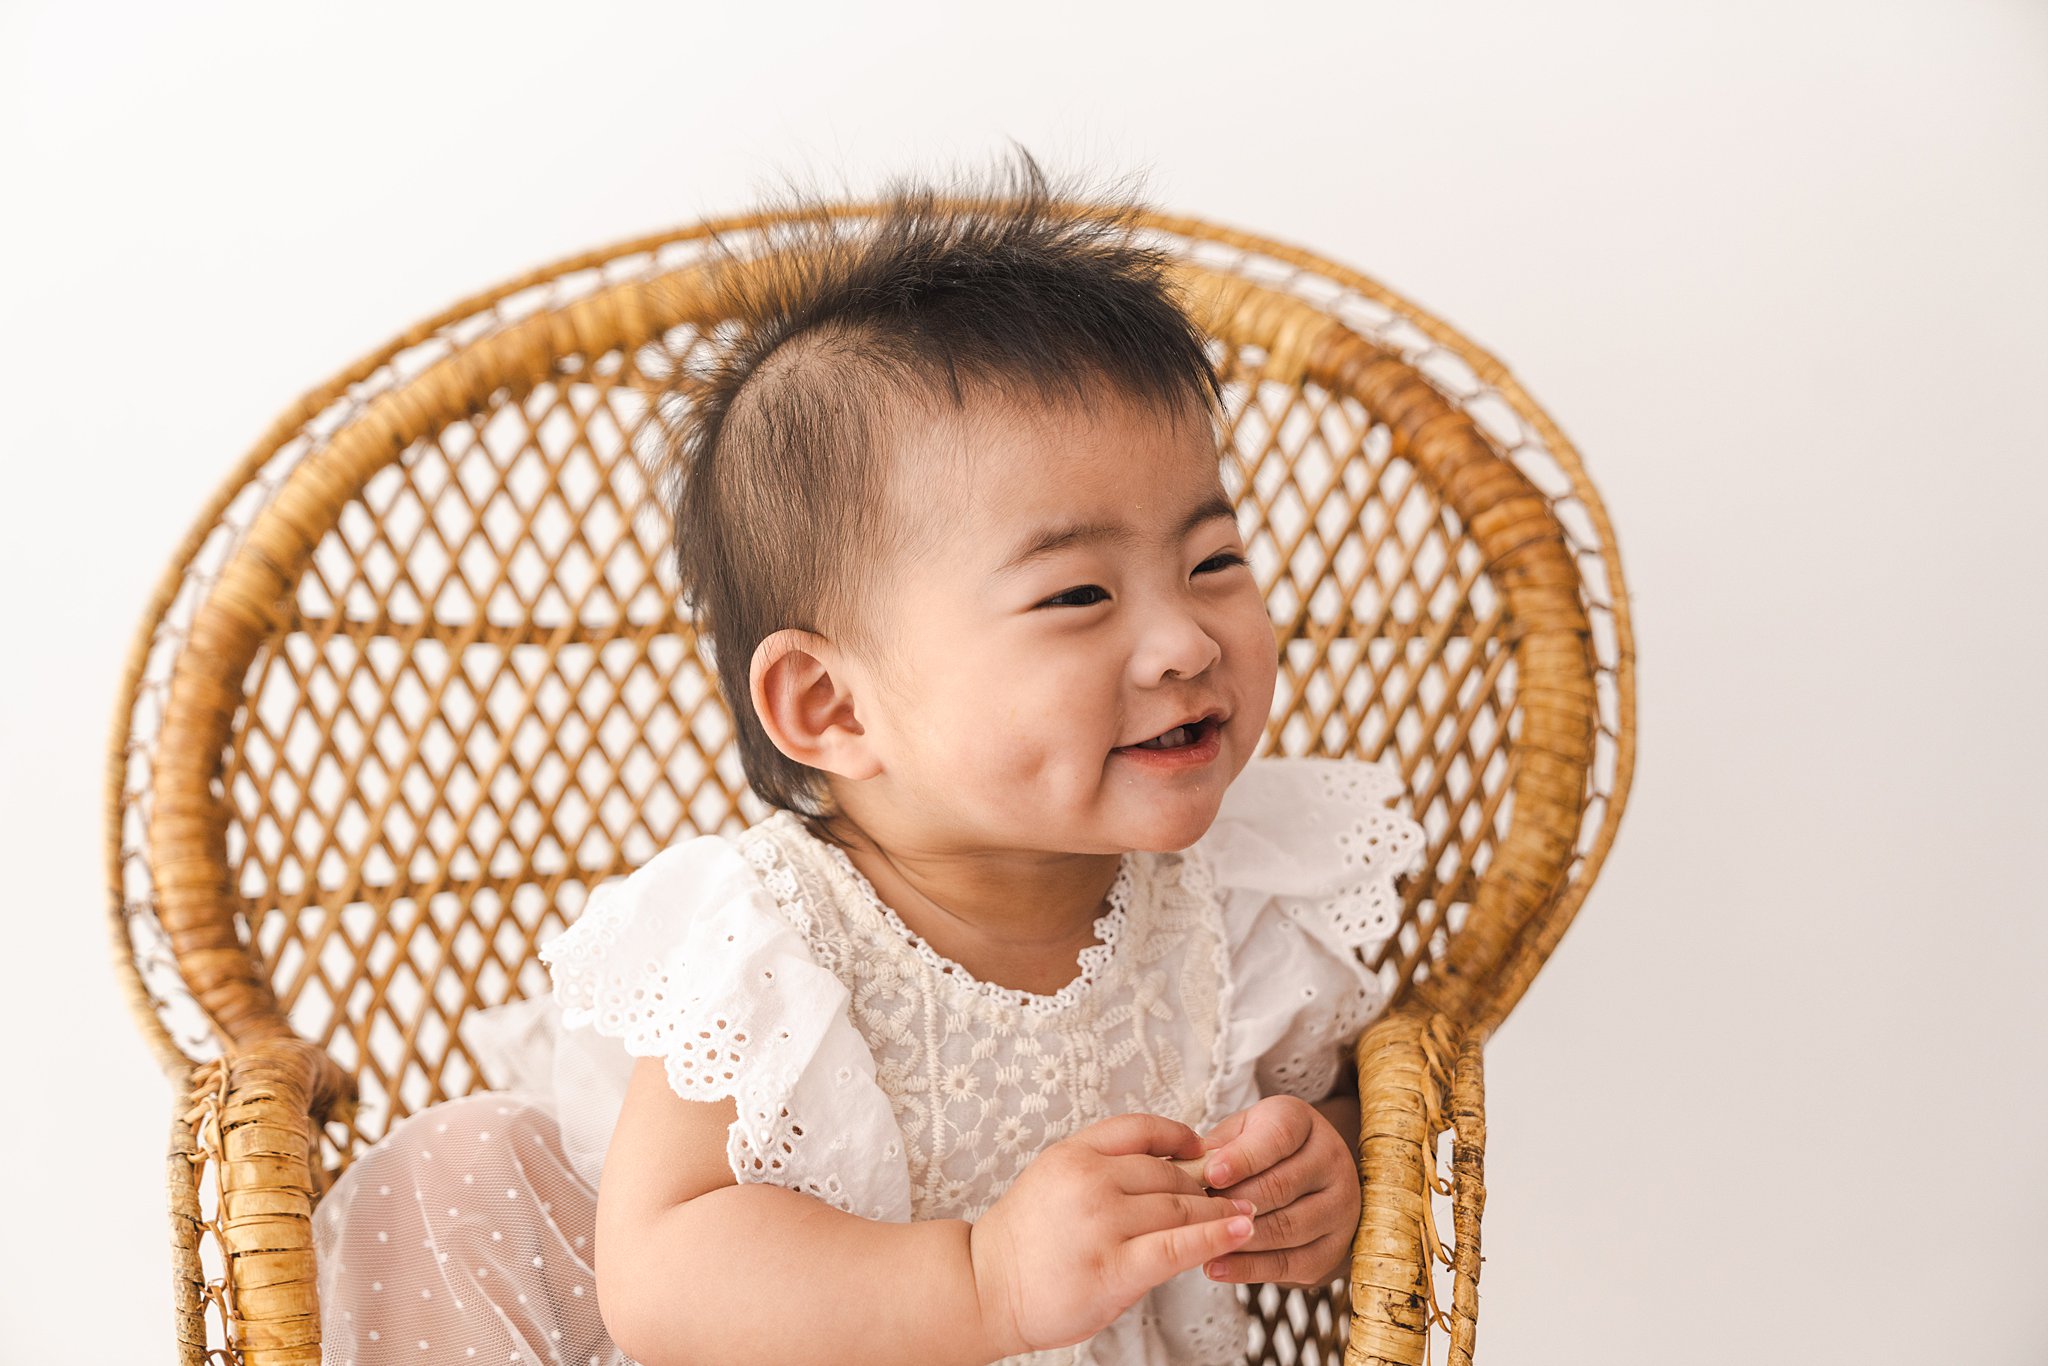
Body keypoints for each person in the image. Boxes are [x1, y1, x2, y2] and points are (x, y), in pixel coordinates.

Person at [312, 146, 1429, 1366]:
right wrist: (981, 1278)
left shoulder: (1239, 901)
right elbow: (663, 1271)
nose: (1181, 640)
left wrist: (1312, 1182)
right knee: (453, 1172)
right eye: (1075, 595)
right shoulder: (774, 946)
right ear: (831, 706)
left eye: (1213, 560)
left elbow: (1316, 1109)